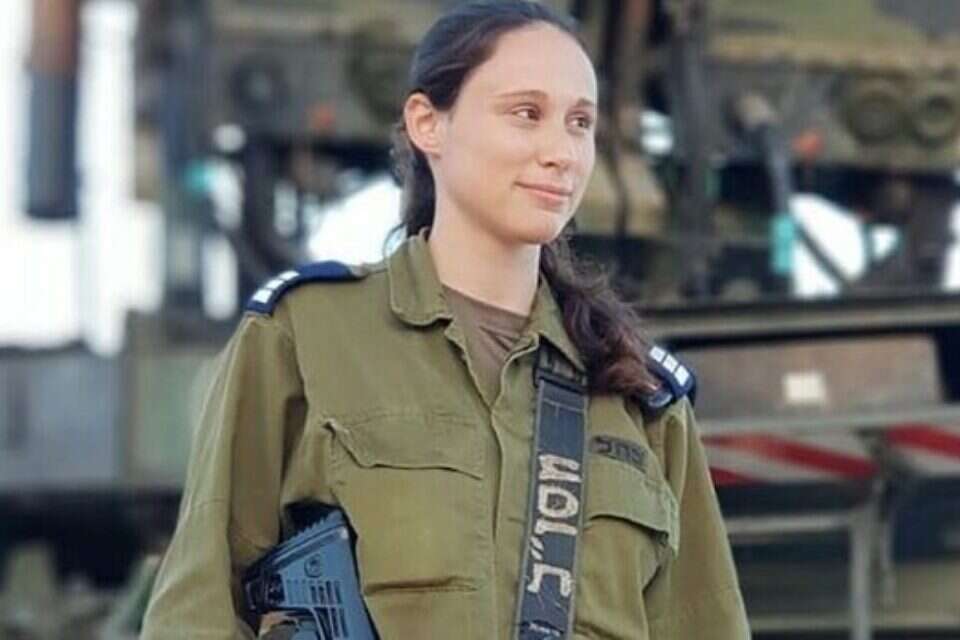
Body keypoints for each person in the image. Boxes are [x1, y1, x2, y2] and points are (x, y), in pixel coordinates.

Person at [140, 1, 750, 638]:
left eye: (580, 123)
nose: (562, 152)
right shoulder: (305, 336)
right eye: (526, 114)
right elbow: (197, 611)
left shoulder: (638, 393)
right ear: (428, 124)